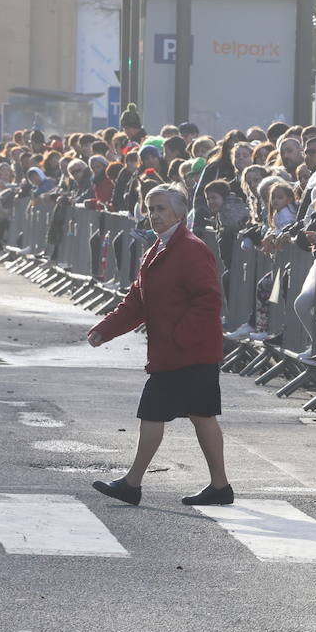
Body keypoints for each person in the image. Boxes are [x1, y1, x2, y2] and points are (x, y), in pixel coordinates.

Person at [87, 185, 231, 507]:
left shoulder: (191, 249)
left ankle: (132, 483)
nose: (154, 215)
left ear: (179, 213)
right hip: (178, 352)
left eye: (161, 208)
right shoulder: (158, 249)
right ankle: (219, 486)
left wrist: (179, 337)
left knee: (156, 412)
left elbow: (208, 300)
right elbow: (137, 301)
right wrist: (104, 330)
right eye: (150, 209)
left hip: (187, 352)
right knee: (202, 415)